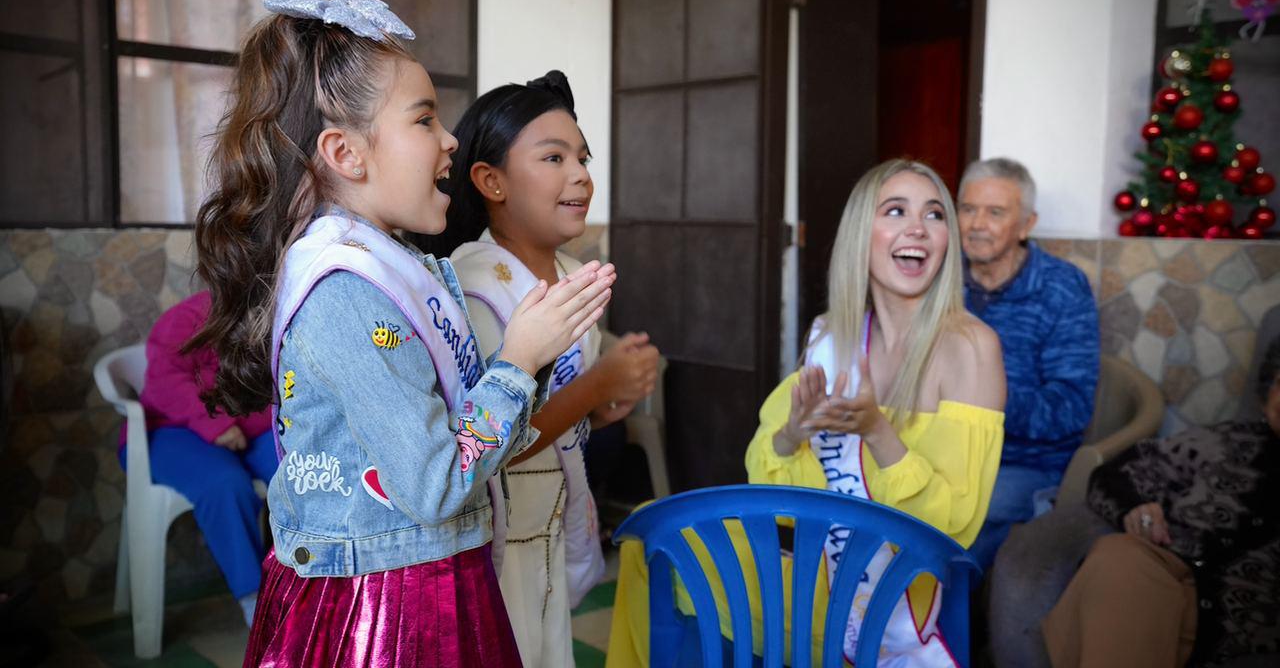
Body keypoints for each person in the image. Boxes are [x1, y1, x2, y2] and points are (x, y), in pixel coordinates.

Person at [187, 0, 614, 666]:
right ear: (346, 154)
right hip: (386, 612)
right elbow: (438, 483)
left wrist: (530, 370)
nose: (448, 138)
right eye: (424, 119)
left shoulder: (400, 267)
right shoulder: (349, 291)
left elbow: (459, 433)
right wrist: (518, 362)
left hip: (429, 579)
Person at [606, 159, 1006, 666]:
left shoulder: (971, 348)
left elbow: (955, 529)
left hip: (894, 606)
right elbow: (767, 477)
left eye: (934, 215)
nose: (916, 229)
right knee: (656, 537)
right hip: (822, 579)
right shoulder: (831, 337)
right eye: (896, 210)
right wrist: (794, 433)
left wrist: (879, 434)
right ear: (862, 232)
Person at [416, 71, 660, 666]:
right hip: (495, 544)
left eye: (582, 156)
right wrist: (595, 389)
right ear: (491, 180)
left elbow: (564, 417)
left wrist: (608, 399)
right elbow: (484, 446)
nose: (580, 174)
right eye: (553, 157)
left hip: (548, 526)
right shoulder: (474, 286)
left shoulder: (572, 271)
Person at [1041, 336, 1280, 668]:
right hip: (1165, 577)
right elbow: (1116, 472)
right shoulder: (1226, 441)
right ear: (1266, 391)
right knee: (1116, 556)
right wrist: (1135, 506)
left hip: (1241, 622)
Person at [956, 157, 1099, 570]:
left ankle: (929, 629)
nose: (977, 223)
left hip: (1023, 463)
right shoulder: (939, 280)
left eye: (995, 212)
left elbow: (1071, 406)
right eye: (968, 209)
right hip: (940, 450)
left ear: (1026, 224)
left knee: (951, 523)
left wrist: (984, 401)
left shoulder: (1061, 287)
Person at [123, 290, 278, 626]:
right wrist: (215, 424)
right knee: (224, 484)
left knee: (300, 474)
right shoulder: (189, 317)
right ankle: (255, 601)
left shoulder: (281, 310)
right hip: (172, 429)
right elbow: (164, 380)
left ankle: (313, 585)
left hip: (253, 429)